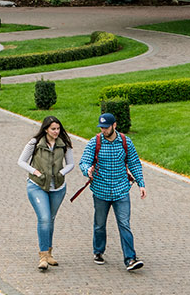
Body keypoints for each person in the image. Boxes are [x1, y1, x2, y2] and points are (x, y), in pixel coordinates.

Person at [79, 112, 146, 271]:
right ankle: (98, 251)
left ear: (114, 125)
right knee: (99, 225)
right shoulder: (94, 142)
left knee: (124, 224)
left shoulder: (125, 141)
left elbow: (134, 163)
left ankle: (130, 259)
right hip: (100, 191)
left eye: (106, 127)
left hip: (121, 190)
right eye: (101, 127)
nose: (103, 130)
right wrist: (87, 170)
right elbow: (85, 161)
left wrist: (141, 184)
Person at [19, 116, 77, 272]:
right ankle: (43, 256)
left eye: (58, 129)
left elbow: (71, 164)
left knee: (50, 219)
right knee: (44, 218)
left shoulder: (64, 144)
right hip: (37, 185)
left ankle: (50, 253)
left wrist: (61, 172)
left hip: (58, 187)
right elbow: (21, 161)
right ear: (45, 129)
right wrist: (35, 172)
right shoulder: (35, 143)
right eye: (53, 129)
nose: (56, 132)